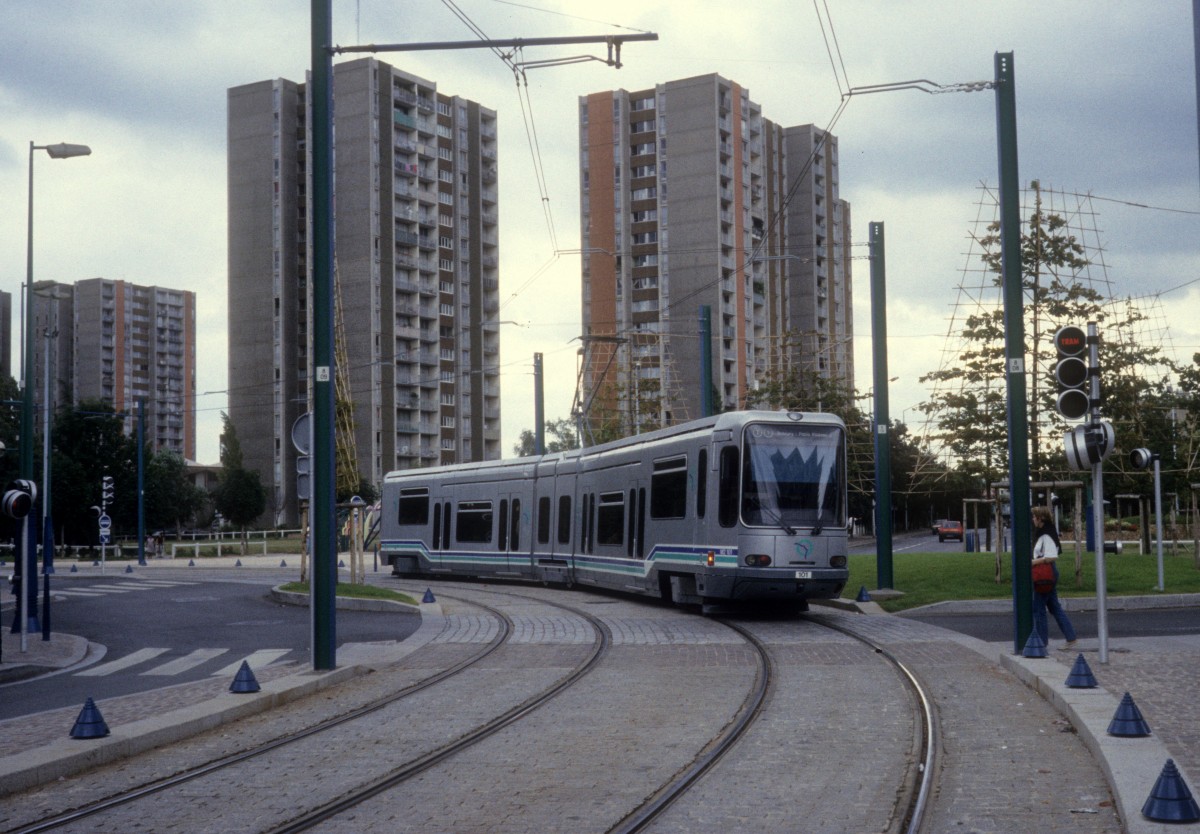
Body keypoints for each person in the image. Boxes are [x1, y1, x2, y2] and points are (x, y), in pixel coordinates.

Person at [1031, 505, 1077, 648]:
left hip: (1044, 572)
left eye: (1034, 517)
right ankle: (1071, 637)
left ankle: (1041, 642)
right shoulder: (1048, 531)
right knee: (1054, 607)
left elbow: (1051, 556)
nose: (1032, 519)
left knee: (1038, 609)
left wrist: (1032, 562)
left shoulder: (1045, 534)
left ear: (1040, 518)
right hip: (1049, 572)